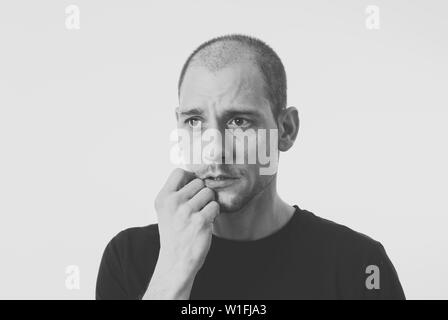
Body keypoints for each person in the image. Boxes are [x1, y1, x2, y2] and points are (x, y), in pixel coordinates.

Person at [96, 34, 405, 300]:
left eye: (238, 122)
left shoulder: (360, 264)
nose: (214, 151)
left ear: (286, 129)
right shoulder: (129, 258)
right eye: (194, 121)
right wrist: (173, 271)